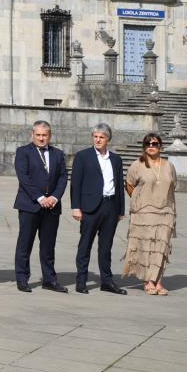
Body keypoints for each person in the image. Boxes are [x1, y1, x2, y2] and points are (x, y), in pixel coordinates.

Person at [70, 122, 128, 294]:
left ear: (108, 139)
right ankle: (81, 280)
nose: (98, 140)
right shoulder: (83, 156)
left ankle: (107, 281)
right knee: (85, 244)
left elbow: (119, 184)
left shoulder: (116, 159)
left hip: (110, 206)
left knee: (106, 246)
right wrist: (76, 207)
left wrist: (120, 210)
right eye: (95, 136)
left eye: (101, 137)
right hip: (90, 207)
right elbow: (76, 184)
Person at [12, 120, 69, 292]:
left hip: (51, 207)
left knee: (48, 245)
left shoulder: (58, 154)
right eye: (38, 135)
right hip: (30, 205)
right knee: (25, 243)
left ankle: (49, 280)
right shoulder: (23, 152)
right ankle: (22, 279)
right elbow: (24, 177)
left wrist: (55, 197)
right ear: (32, 135)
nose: (41, 138)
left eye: (44, 135)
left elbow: (63, 177)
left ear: (50, 136)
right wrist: (39, 197)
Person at [123, 132, 176, 295]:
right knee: (147, 247)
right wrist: (139, 200)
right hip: (144, 212)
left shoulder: (168, 165)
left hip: (165, 211)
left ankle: (158, 281)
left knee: (161, 246)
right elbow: (129, 184)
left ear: (160, 146)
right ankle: (148, 281)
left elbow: (173, 185)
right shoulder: (137, 165)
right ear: (144, 147)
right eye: (148, 144)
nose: (151, 147)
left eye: (155, 144)